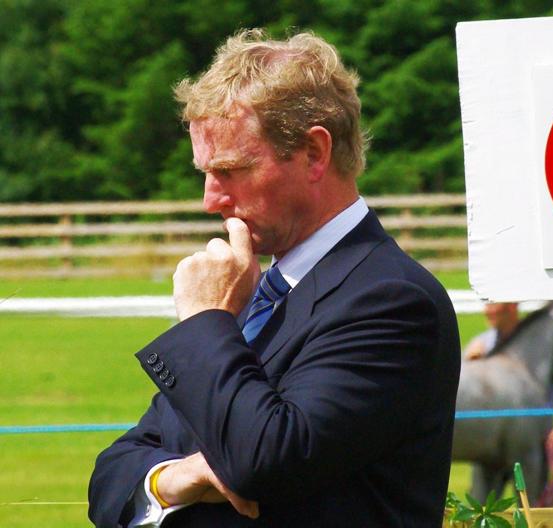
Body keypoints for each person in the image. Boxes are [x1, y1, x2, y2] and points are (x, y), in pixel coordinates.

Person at [88, 29, 461, 528]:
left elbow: (264, 463)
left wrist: (204, 321)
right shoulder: (255, 294)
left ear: (314, 153)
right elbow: (111, 475)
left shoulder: (391, 300)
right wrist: (168, 480)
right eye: (205, 172)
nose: (210, 200)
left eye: (230, 170)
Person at [464, 302, 553, 506]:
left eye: (493, 304)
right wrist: (471, 363)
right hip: (490, 446)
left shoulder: (543, 345)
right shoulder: (482, 344)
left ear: (511, 306)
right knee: (480, 509)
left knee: (536, 509)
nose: (487, 310)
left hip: (533, 443)